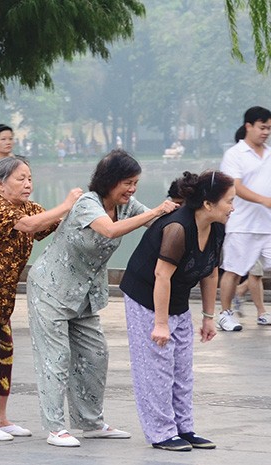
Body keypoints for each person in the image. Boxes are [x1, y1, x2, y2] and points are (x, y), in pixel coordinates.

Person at [26, 149, 178, 447]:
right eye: (127, 182)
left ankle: (92, 422)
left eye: (135, 183)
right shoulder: (87, 204)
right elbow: (109, 231)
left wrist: (186, 216)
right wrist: (156, 211)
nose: (132, 189)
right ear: (109, 180)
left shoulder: (127, 205)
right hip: (51, 290)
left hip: (85, 296)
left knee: (96, 355)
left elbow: (157, 225)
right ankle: (56, 427)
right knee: (55, 359)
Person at [0, 157, 82, 442]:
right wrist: (66, 204)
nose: (27, 184)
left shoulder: (29, 208)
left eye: (29, 178)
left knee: (5, 353)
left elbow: (51, 225)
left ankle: (0, 418)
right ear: (0, 184)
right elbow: (28, 225)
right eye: (20, 179)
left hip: (1, 295)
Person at [120, 170, 232, 451]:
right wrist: (160, 323)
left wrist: (209, 317)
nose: (233, 207)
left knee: (182, 369)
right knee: (157, 367)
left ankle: (184, 428)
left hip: (178, 300)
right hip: (147, 297)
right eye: (229, 201)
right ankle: (161, 433)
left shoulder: (218, 227)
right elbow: (161, 276)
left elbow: (210, 273)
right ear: (208, 204)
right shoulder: (177, 228)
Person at [216, 106, 271, 331]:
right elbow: (235, 186)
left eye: (268, 128)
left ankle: (261, 311)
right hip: (242, 224)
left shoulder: (269, 153)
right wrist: (264, 200)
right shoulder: (234, 155)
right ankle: (225, 314)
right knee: (234, 270)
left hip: (267, 225)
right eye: (262, 127)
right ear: (248, 126)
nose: (266, 132)